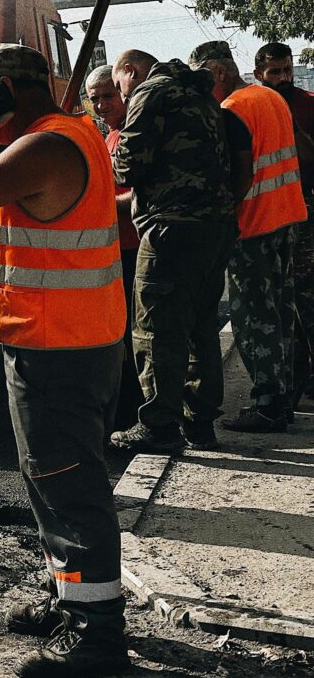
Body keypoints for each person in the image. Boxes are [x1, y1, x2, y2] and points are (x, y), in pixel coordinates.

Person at [0, 43, 128, 678]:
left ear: (7, 93)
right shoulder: (53, 137)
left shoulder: (48, 146)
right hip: (53, 342)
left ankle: (97, 633)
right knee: (50, 477)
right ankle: (69, 596)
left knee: (69, 482)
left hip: (61, 348)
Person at [109, 50, 237, 453]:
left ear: (130, 71)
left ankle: (159, 424)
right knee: (201, 325)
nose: (121, 94)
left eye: (117, 85)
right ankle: (199, 421)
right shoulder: (202, 96)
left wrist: (111, 158)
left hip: (171, 227)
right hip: (215, 226)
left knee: (156, 328)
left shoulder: (151, 92)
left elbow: (129, 165)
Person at [189, 41, 308, 431]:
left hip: (254, 227)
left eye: (203, 78)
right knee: (281, 314)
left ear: (218, 72)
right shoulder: (270, 98)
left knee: (254, 319)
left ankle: (269, 405)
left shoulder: (233, 109)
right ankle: (284, 398)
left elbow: (238, 174)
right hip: (287, 218)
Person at [254, 42, 314, 399]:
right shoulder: (251, 105)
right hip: (267, 212)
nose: (283, 77)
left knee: (305, 292)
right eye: (275, 71)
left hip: (304, 208)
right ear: (259, 72)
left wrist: (290, 125)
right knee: (277, 295)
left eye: (287, 69)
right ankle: (291, 376)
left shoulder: (306, 103)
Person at [86, 64, 143, 430]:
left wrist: (94, 204)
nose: (102, 105)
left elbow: (140, 196)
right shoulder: (109, 136)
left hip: (132, 250)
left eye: (108, 96)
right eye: (95, 99)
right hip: (112, 251)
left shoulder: (134, 135)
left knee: (132, 337)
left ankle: (131, 414)